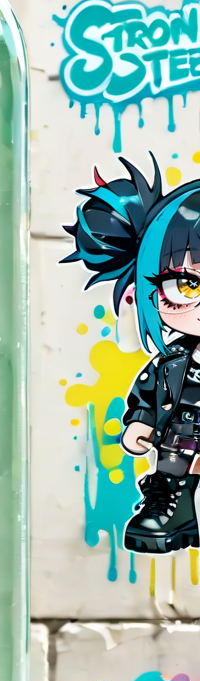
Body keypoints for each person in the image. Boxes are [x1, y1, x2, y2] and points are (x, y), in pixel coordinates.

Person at [63, 158, 200, 555]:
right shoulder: (173, 361)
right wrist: (140, 422)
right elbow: (149, 392)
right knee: (172, 471)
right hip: (180, 439)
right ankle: (171, 510)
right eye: (185, 285)